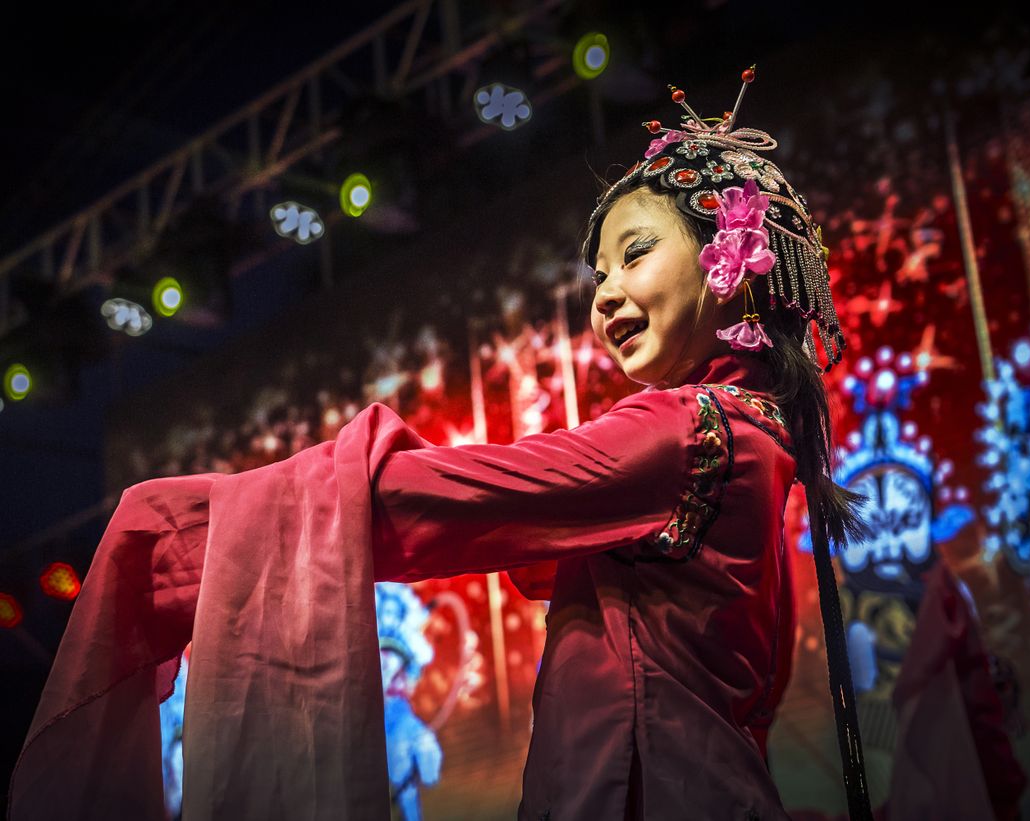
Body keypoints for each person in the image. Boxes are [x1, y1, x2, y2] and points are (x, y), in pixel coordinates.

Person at [8, 71, 870, 821]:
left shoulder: (689, 434)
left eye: (635, 254)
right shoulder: (748, 438)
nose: (605, 295)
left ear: (732, 261)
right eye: (599, 274)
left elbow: (445, 500)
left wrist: (191, 528)